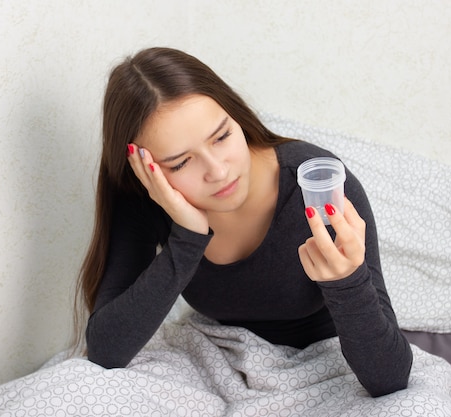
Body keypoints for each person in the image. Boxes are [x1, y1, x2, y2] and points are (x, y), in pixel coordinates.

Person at [77, 46, 412, 398]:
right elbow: (106, 351)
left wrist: (348, 281)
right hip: (220, 361)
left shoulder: (314, 185)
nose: (218, 171)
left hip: (328, 357)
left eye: (221, 137)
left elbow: (390, 379)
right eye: (180, 163)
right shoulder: (151, 200)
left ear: (236, 116)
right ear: (146, 171)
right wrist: (189, 236)